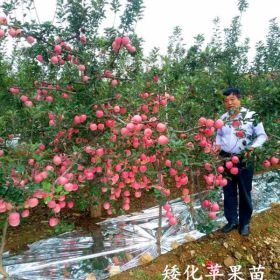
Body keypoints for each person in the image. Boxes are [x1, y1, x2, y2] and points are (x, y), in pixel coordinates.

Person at [214, 87, 268, 236]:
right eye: (226, 101)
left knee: (244, 191)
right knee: (228, 191)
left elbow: (262, 136)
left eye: (232, 99)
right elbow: (218, 135)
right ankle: (232, 220)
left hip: (244, 158)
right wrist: (217, 144)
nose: (229, 103)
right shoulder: (223, 118)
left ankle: (244, 222)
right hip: (226, 158)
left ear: (239, 99)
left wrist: (252, 148)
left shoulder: (251, 116)